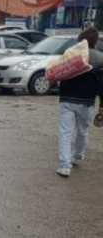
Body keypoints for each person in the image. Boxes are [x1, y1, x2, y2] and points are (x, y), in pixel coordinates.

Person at [56, 27, 103, 177]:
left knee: (65, 132)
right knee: (83, 131)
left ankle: (65, 165)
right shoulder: (100, 58)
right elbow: (102, 84)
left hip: (66, 98)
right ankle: (78, 156)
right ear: (95, 42)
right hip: (87, 101)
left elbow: (59, 71)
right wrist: (102, 105)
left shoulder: (70, 53)